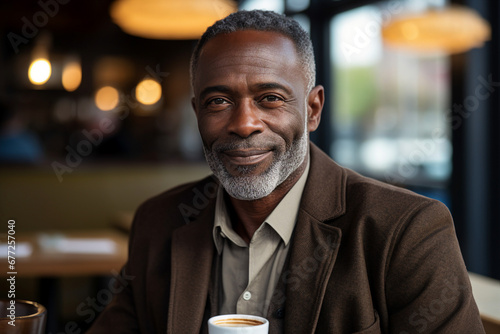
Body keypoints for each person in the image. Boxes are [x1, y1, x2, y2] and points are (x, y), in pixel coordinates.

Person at [87, 10, 484, 333]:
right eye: (219, 101)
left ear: (312, 109)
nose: (244, 124)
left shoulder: (407, 230)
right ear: (197, 113)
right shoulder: (158, 221)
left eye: (270, 98)